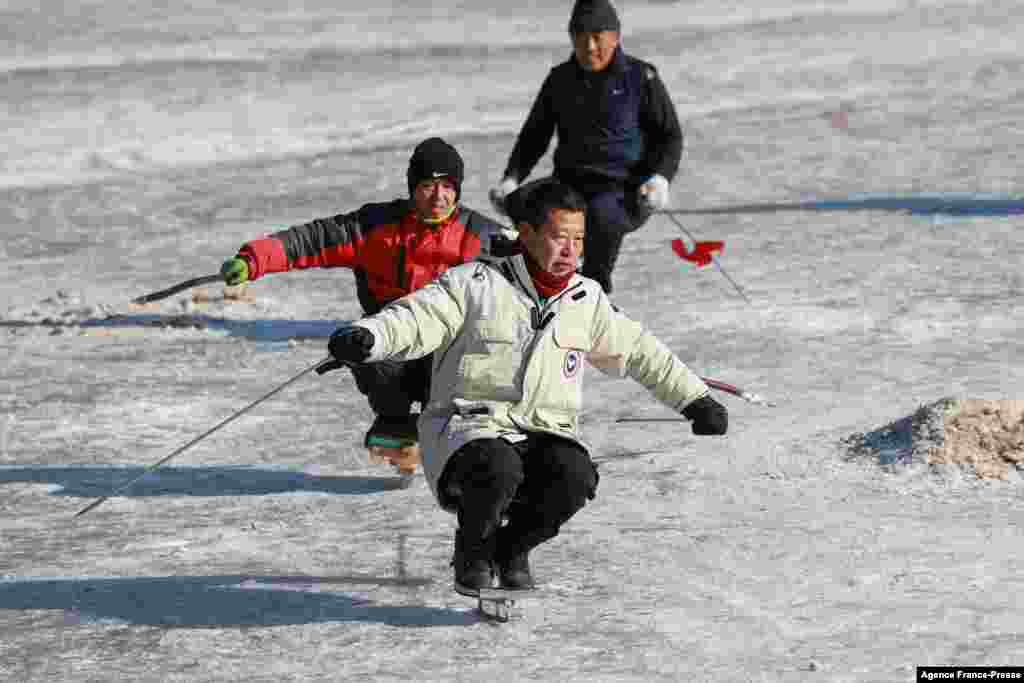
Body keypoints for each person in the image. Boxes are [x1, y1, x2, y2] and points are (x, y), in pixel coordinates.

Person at [326, 178, 727, 594]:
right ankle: (474, 553)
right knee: (498, 466)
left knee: (574, 477)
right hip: (467, 431)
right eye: (558, 237)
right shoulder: (475, 284)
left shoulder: (585, 299)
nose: (570, 250)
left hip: (544, 431)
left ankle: (510, 549)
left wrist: (694, 399)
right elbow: (415, 318)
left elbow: (641, 350)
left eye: (578, 239)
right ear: (528, 234)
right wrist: (369, 337)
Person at [219, 137, 515, 474]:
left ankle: (460, 448)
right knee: (365, 344)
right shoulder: (375, 227)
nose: (438, 196)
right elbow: (312, 240)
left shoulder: (482, 236)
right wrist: (253, 260)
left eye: (447, 186)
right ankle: (396, 427)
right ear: (412, 187)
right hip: (391, 344)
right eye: (428, 186)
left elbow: (536, 262)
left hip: (450, 352)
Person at [489, 0, 683, 295]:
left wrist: (659, 179)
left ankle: (594, 293)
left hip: (624, 190)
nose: (590, 47)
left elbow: (669, 136)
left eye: (597, 37)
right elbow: (534, 135)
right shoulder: (560, 79)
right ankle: (531, 283)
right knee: (519, 203)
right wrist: (512, 178)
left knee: (600, 219)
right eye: (581, 38)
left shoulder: (640, 77)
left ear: (615, 37)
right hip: (571, 182)